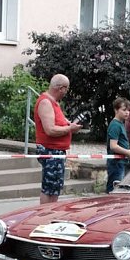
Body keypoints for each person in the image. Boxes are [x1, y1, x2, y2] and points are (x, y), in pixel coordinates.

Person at [34, 74, 82, 204]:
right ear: (61, 88)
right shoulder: (46, 102)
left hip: (57, 151)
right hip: (50, 150)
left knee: (55, 188)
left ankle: (51, 213)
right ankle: (45, 215)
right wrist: (70, 129)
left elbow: (58, 124)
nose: (66, 92)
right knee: (49, 187)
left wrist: (68, 125)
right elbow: (50, 130)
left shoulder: (54, 103)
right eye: (66, 89)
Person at [105, 97, 130, 193]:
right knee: (114, 188)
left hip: (121, 161)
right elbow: (113, 146)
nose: (127, 112)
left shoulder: (121, 124)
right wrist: (127, 152)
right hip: (116, 162)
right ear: (116, 110)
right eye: (124, 110)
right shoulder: (115, 125)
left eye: (128, 110)